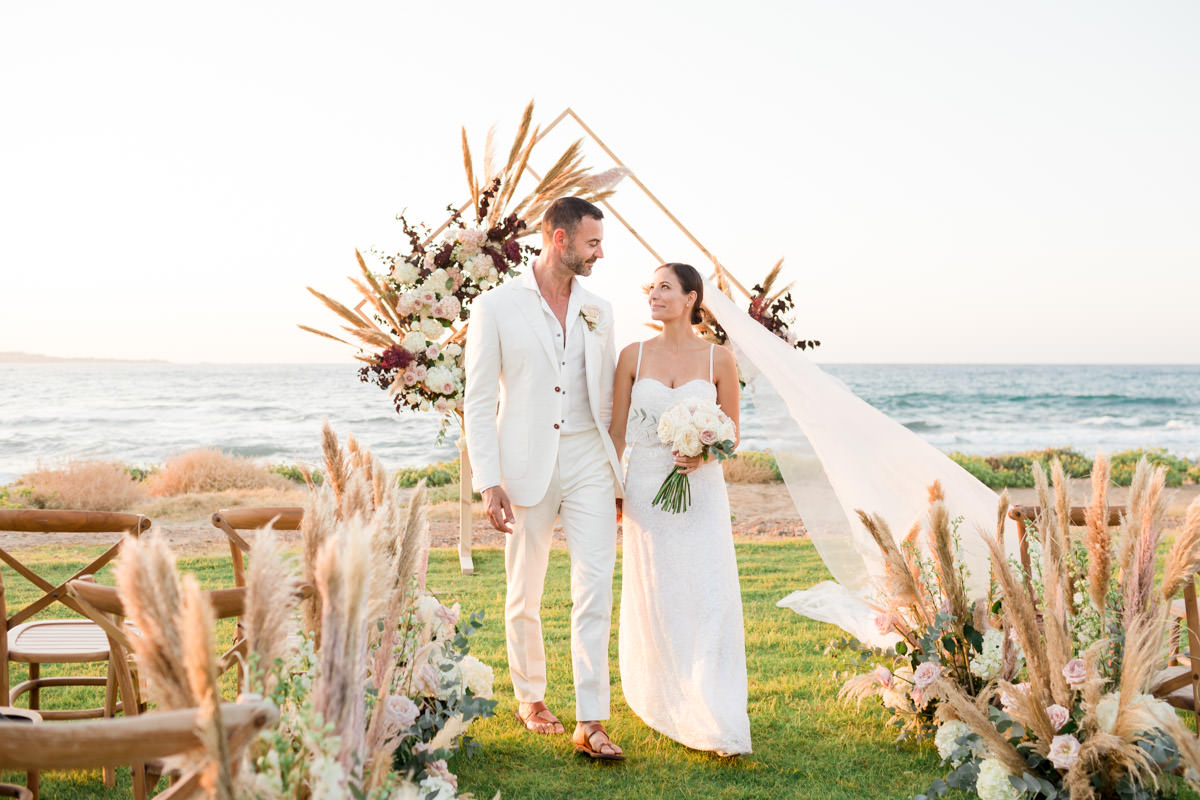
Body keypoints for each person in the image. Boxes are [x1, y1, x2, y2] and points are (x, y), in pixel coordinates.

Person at [463, 196, 626, 761]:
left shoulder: (599, 310)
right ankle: (530, 697)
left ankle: (591, 718)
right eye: (592, 243)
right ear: (560, 240)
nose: (599, 253)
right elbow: (479, 401)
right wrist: (490, 480)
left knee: (594, 587)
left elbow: (608, 395)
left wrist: (618, 475)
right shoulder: (496, 306)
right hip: (524, 463)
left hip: (588, 461)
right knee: (524, 589)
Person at [609, 262, 752, 757]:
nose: (654, 294)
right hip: (647, 487)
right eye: (651, 287)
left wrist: (704, 450)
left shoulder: (720, 360)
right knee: (659, 590)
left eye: (665, 288)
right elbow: (617, 432)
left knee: (709, 592)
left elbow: (732, 434)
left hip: (702, 490)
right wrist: (615, 490)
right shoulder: (632, 355)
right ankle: (665, 693)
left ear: (691, 298)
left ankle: (714, 702)